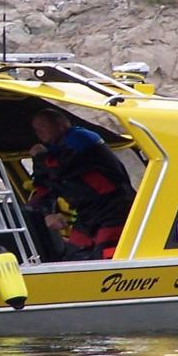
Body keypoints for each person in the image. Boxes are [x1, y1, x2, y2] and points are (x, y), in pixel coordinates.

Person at [27, 108, 135, 260]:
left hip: (115, 208)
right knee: (72, 256)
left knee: (106, 256)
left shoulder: (82, 138)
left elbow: (60, 167)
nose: (38, 132)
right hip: (87, 213)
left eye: (43, 126)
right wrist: (48, 213)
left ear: (60, 124)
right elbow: (44, 186)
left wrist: (39, 156)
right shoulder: (49, 153)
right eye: (36, 129)